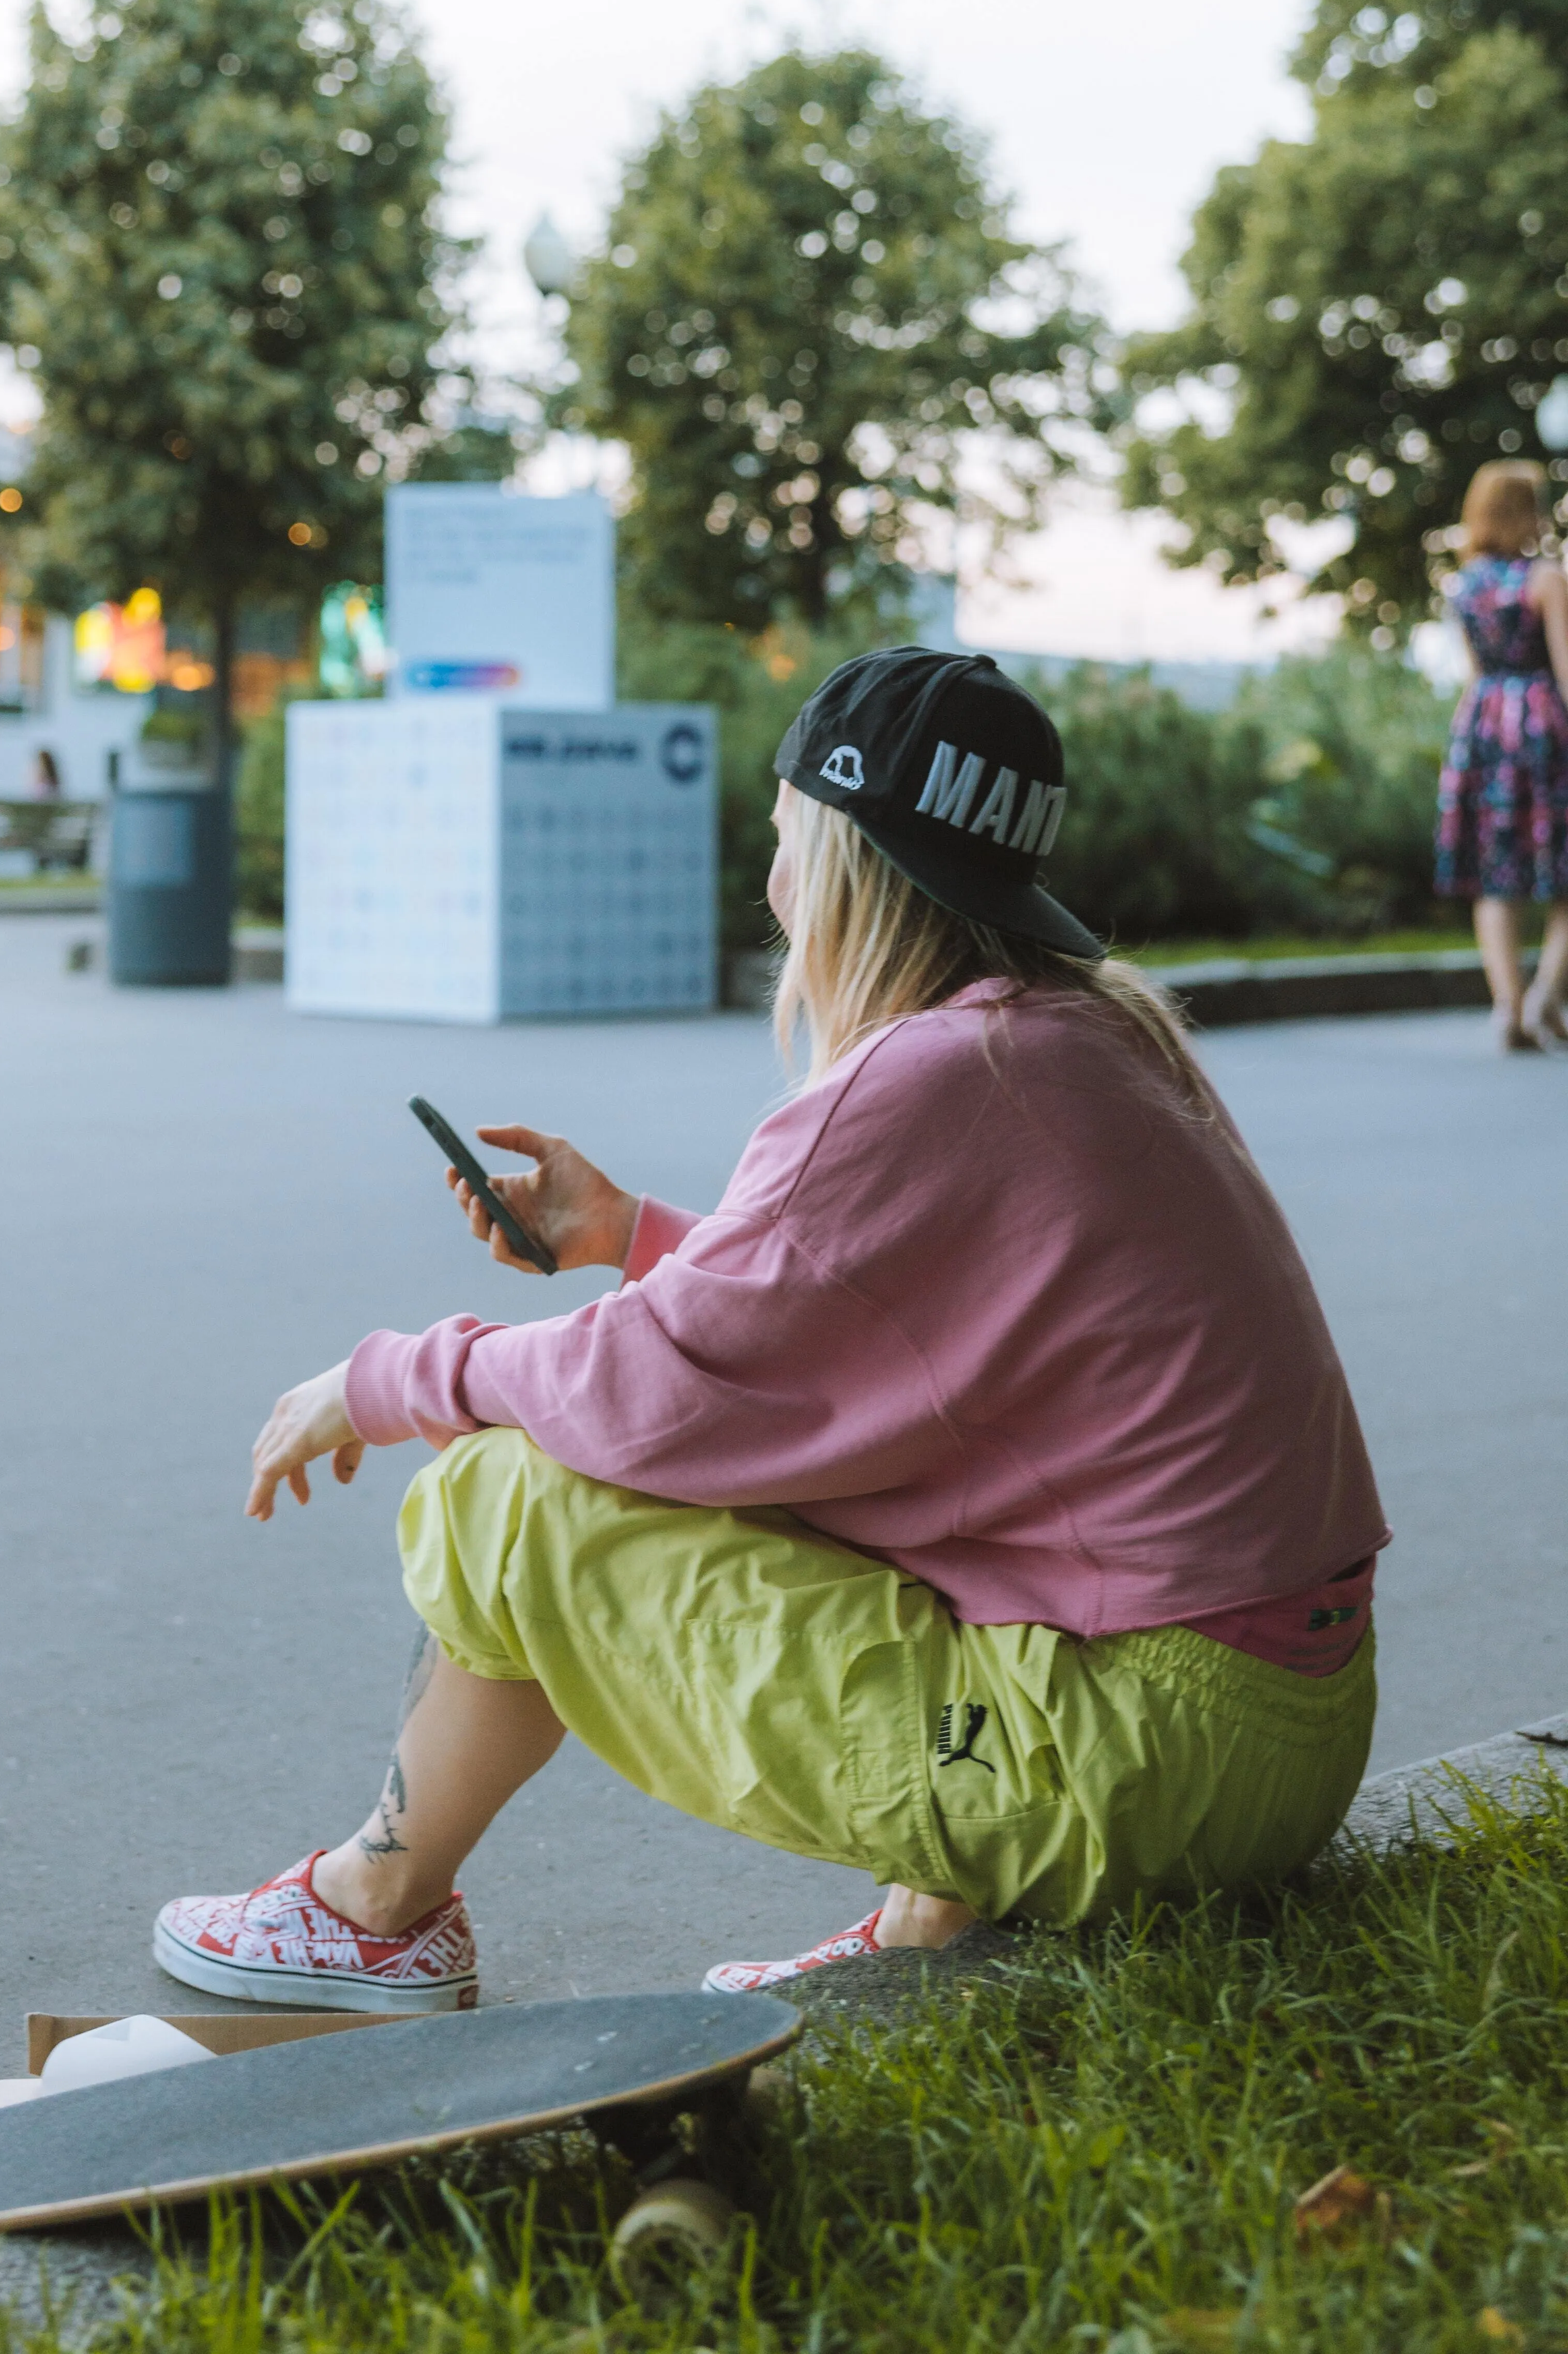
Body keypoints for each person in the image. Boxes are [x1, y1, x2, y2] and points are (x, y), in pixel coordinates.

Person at [152, 650, 1385, 2009]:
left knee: (506, 1499)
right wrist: (633, 1235)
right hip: (1274, 1731)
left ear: (844, 856)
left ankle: (373, 1912)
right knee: (832, 1484)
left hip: (1145, 1766)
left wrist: (392, 1378)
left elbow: (664, 1394)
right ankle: (936, 1931)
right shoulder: (1085, 1032)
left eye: (784, 836)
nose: (769, 883)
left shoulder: (933, 1072)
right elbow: (879, 1344)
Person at [1434, 461, 1568, 1052]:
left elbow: (1473, 672)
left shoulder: (1463, 585)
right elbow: (1567, 671)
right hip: (1542, 728)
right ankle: (1544, 996)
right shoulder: (1545, 578)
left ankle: (1507, 1007)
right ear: (1525, 513)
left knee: (1496, 876)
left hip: (1483, 727)